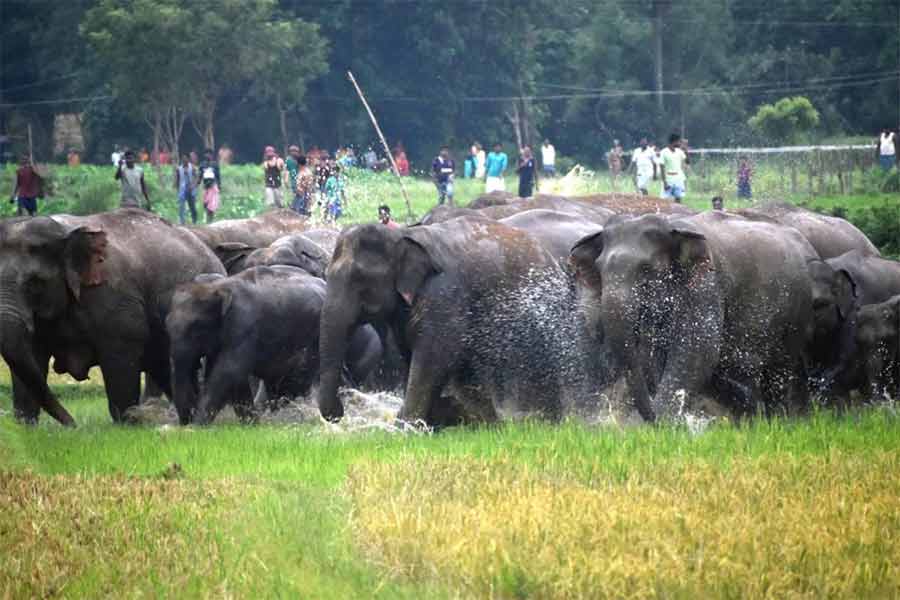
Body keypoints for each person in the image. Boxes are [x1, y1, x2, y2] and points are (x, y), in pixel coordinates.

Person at [659, 133, 688, 203]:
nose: (680, 143)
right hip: (668, 178)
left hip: (678, 178)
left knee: (678, 199)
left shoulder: (679, 151)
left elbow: (687, 161)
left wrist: (686, 150)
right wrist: (664, 182)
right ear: (674, 141)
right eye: (679, 141)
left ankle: (678, 213)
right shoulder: (664, 152)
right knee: (665, 200)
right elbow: (661, 167)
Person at [175, 154, 198, 224]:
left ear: (188, 159)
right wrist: (177, 189)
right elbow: (177, 179)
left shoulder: (192, 167)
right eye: (183, 159)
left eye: (185, 158)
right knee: (181, 207)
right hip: (182, 190)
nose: (184, 160)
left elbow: (196, 178)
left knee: (192, 207)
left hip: (191, 189)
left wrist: (194, 185)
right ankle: (182, 222)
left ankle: (194, 221)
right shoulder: (179, 169)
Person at [200, 149, 221, 223]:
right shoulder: (202, 164)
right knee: (205, 204)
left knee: (212, 205)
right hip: (205, 186)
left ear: (212, 155)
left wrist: (219, 186)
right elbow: (200, 175)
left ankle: (210, 220)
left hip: (213, 187)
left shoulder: (215, 165)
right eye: (206, 154)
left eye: (209, 154)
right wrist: (197, 183)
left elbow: (218, 176)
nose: (207, 156)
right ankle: (207, 219)